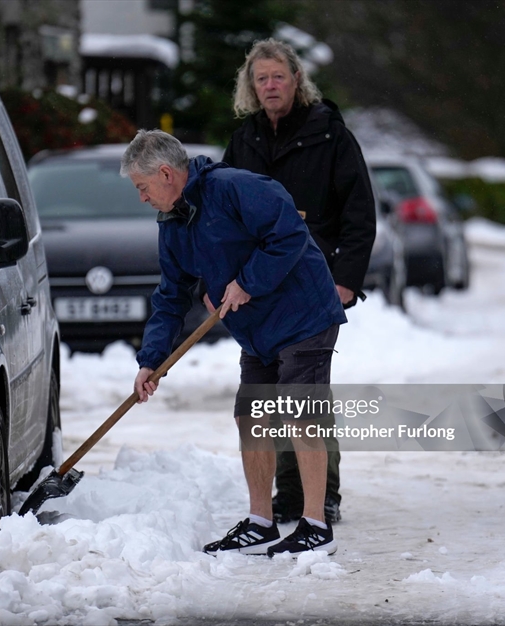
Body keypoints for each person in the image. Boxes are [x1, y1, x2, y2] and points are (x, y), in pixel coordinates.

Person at [121, 129, 346, 556]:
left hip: (303, 313)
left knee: (299, 411)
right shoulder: (173, 224)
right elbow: (171, 296)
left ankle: (316, 525)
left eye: (142, 187)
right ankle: (262, 521)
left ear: (166, 174)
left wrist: (246, 282)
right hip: (257, 328)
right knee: (251, 416)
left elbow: (289, 233)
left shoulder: (233, 188)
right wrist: (152, 361)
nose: (142, 198)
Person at [223, 38, 376, 525]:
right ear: (251, 86)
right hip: (262, 286)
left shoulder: (329, 134)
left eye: (279, 77)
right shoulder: (244, 140)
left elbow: (359, 212)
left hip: (316, 282)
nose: (270, 86)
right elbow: (223, 215)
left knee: (304, 390)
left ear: (296, 81)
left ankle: (315, 494)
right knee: (267, 393)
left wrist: (346, 281)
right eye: (261, 78)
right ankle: (287, 497)